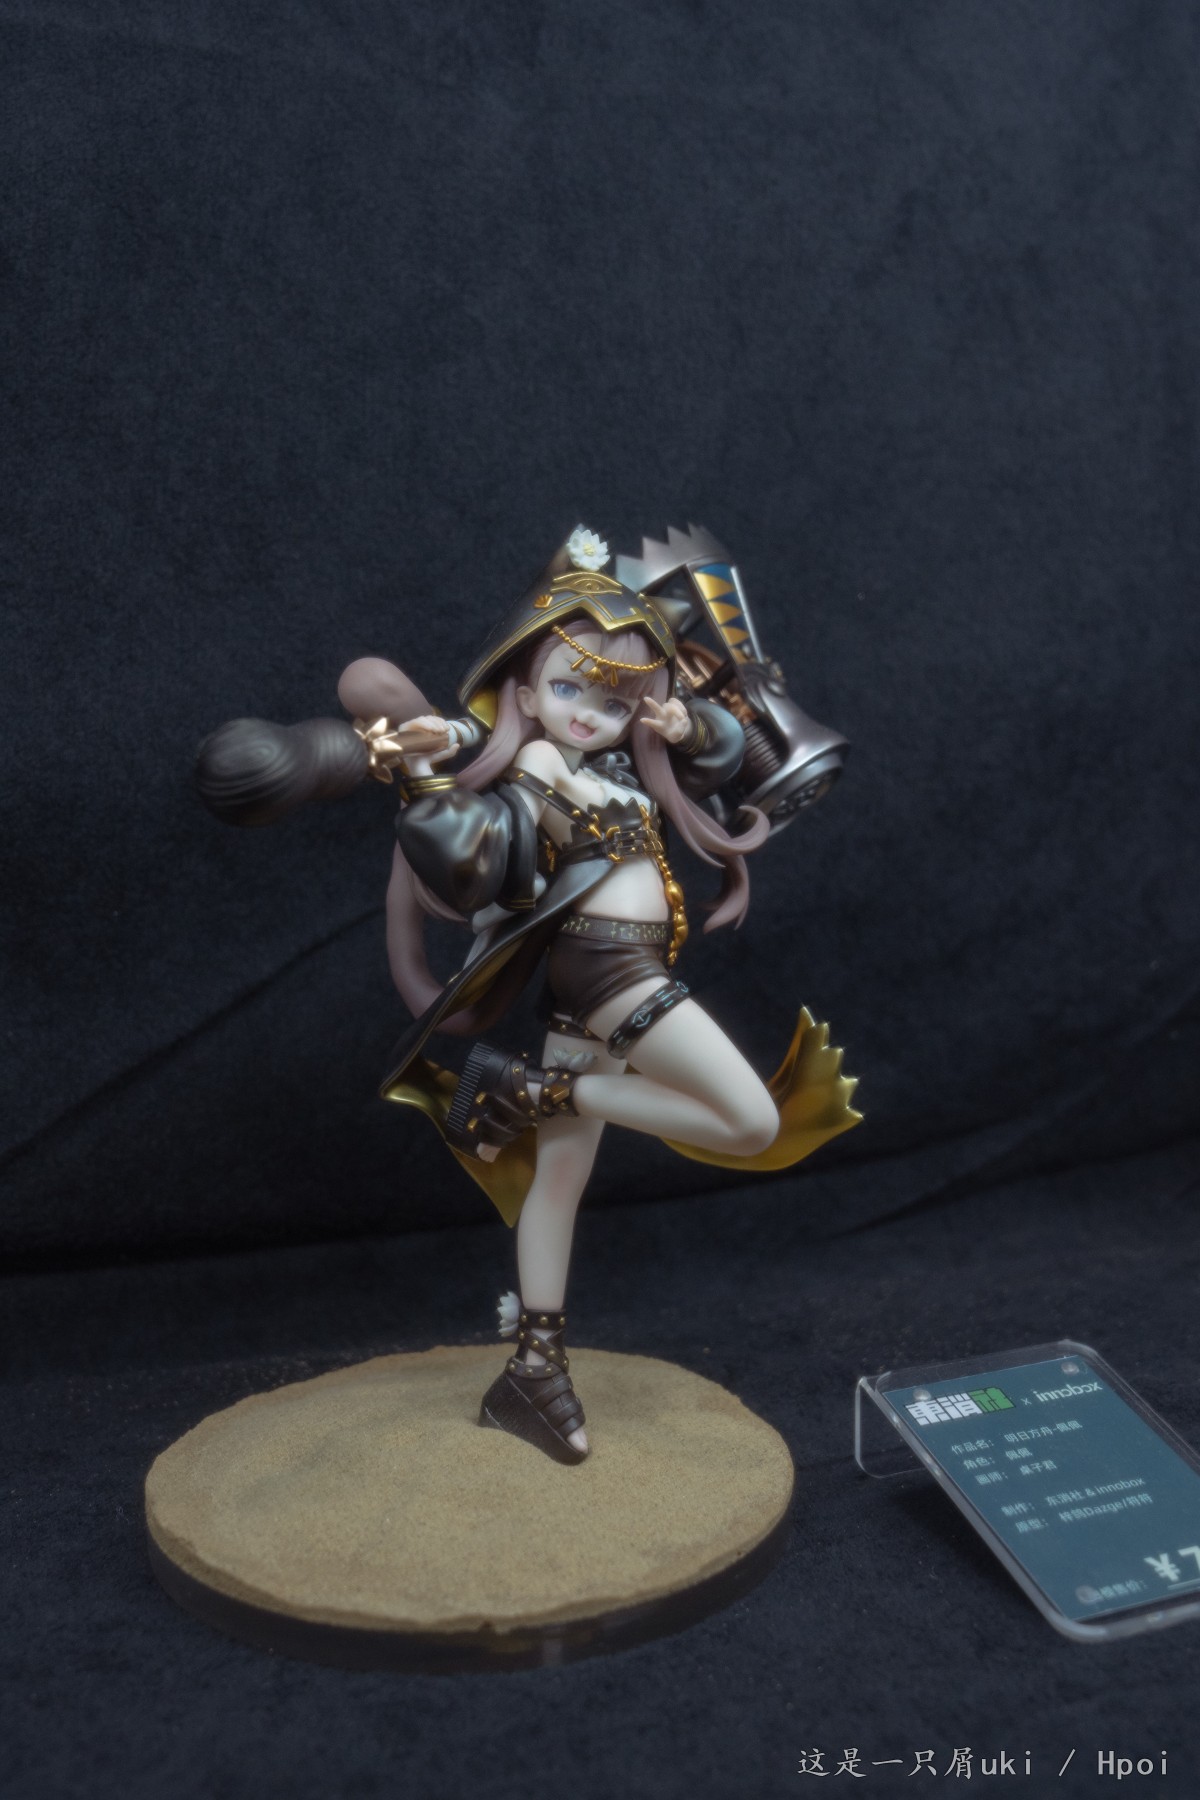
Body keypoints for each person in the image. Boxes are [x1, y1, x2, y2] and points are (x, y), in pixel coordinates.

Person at [196, 525, 861, 1468]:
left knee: (559, 1179)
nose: (587, 715)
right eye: (568, 689)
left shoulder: (618, 768)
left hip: (598, 984)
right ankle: (539, 1090)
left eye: (613, 699)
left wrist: (683, 725)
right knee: (753, 1124)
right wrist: (429, 763)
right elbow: (471, 851)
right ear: (523, 689)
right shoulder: (536, 768)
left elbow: (718, 750)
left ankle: (534, 1371)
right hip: (614, 976)